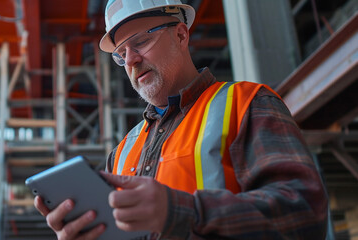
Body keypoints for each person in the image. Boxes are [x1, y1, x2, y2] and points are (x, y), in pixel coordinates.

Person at [34, 0, 328, 239]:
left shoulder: (247, 104)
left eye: (140, 42)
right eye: (122, 54)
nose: (132, 60)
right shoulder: (122, 151)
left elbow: (304, 213)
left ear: (180, 35)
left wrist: (181, 211)